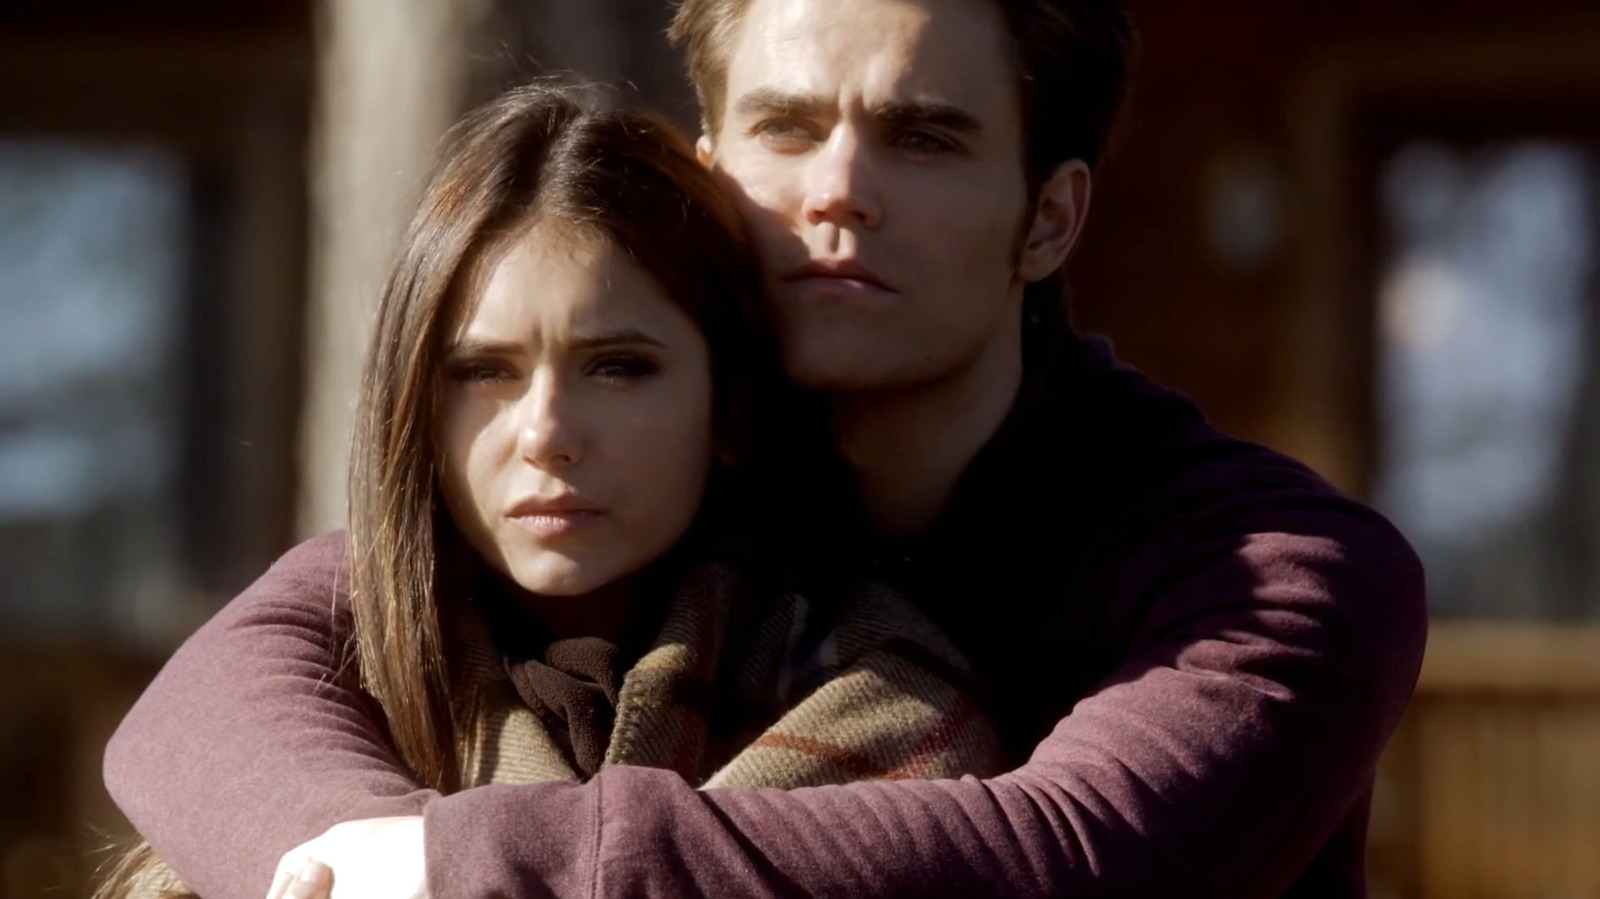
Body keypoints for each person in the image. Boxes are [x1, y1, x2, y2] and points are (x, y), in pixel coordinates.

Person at [104, 0, 1430, 895]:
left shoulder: (1270, 569)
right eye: (786, 128)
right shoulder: (657, 479)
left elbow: (1073, 855)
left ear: (1050, 217)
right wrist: (358, 860)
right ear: (708, 170)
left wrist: (472, 864)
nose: (837, 189)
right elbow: (210, 700)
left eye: (923, 138)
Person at [95, 81, 1005, 899]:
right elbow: (176, 732)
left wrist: (461, 862)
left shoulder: (884, 691)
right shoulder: (335, 683)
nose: (546, 434)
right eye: (484, 371)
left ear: (727, 404)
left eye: (618, 366)